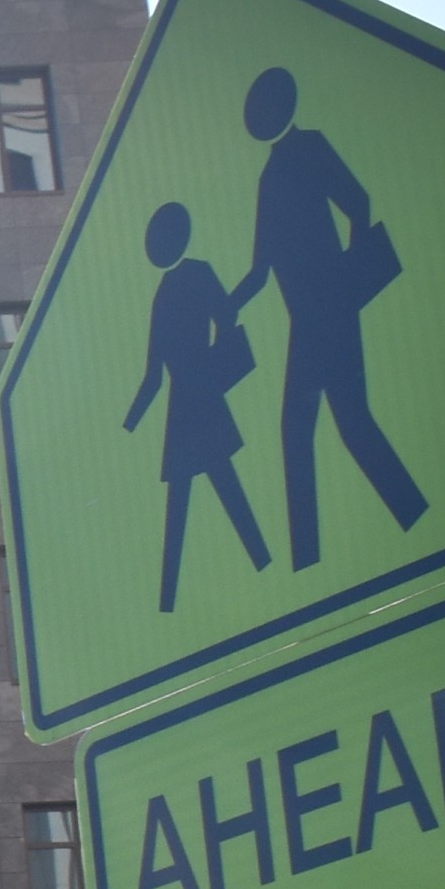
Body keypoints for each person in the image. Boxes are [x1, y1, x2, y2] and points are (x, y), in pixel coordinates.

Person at [224, 63, 429, 567]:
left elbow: (357, 201)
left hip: (329, 312)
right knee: (322, 427)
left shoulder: (310, 147)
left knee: (332, 426)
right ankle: (316, 555)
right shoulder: (269, 175)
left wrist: (348, 277)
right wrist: (227, 307)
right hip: (305, 322)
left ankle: (394, 525)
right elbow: (261, 266)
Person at [119, 199, 272, 612]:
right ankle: (258, 565)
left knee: (200, 498)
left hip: (187, 405)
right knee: (210, 492)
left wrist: (129, 426)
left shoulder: (168, 291)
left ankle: (175, 597)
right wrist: (125, 429)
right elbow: (224, 317)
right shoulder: (186, 280)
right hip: (196, 401)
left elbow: (155, 376)